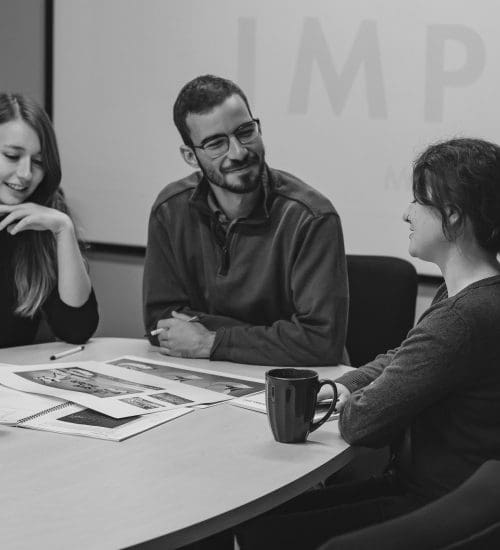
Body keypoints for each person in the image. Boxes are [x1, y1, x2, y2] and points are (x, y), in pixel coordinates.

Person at [234, 138, 500, 549]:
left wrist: (355, 400)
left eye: (418, 200)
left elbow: (362, 423)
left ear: (452, 216)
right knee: (259, 521)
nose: (406, 213)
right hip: (460, 500)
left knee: (256, 533)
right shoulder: (473, 294)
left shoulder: (462, 318)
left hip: (435, 507)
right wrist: (348, 385)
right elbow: (406, 357)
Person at [143, 75, 348, 365]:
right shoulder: (170, 209)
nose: (238, 152)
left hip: (296, 383)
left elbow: (320, 341)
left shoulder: (310, 216)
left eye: (245, 132)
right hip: (207, 378)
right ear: (190, 156)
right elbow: (160, 323)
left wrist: (210, 340)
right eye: (216, 144)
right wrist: (274, 336)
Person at [0, 93, 98, 348]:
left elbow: (76, 330)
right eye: (11, 155)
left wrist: (63, 229)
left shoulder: (45, 215)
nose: (25, 174)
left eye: (38, 162)